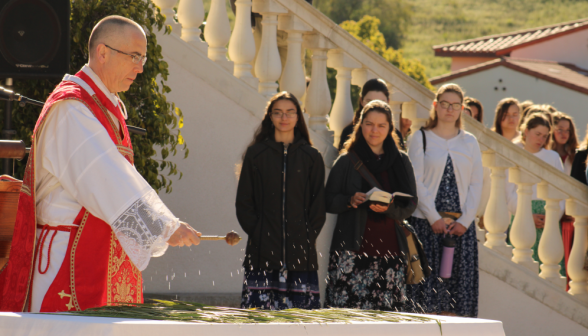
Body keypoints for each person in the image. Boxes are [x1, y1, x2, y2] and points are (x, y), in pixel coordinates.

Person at [0, 16, 202, 313]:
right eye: (134, 56)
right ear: (103, 52)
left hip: (93, 250)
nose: (141, 67)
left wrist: (164, 225)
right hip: (65, 258)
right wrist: (162, 226)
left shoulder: (103, 104)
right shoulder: (72, 107)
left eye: (142, 57)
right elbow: (104, 177)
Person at [324, 100, 418, 311]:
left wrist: (389, 209)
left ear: (390, 128)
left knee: (386, 323)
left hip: (391, 254)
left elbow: (411, 203)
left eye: (381, 125)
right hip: (351, 254)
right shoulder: (347, 160)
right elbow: (328, 200)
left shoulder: (401, 161)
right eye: (369, 124)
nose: (374, 130)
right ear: (360, 125)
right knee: (347, 321)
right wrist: (349, 200)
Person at [236, 91, 326, 310]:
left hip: (301, 256)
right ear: (270, 117)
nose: (284, 118)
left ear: (298, 117)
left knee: (301, 324)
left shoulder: (312, 157)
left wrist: (305, 236)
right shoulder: (255, 155)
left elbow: (318, 206)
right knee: (260, 323)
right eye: (278, 113)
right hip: (262, 254)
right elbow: (244, 203)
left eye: (289, 112)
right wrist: (259, 233)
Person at [407, 83, 483, 317]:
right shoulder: (420, 138)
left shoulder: (469, 141)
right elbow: (416, 181)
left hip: (460, 230)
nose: (449, 109)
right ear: (435, 106)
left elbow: (476, 183)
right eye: (444, 104)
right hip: (427, 226)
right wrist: (433, 217)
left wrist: (466, 221)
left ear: (461, 108)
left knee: (457, 298)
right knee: (426, 296)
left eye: (455, 105)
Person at [506, 112, 564, 270]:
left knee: (547, 266)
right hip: (521, 215)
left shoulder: (553, 157)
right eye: (537, 134)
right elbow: (507, 192)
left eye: (545, 136)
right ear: (526, 131)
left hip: (548, 219)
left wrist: (551, 219)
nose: (541, 139)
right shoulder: (515, 154)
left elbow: (562, 192)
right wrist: (526, 215)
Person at [338, 79, 403, 151]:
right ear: (361, 101)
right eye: (369, 102)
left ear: (388, 102)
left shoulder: (396, 136)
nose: (374, 107)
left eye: (380, 102)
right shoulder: (348, 132)